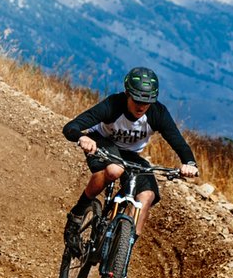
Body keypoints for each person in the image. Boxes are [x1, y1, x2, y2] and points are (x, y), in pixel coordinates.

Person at [61, 66, 199, 254]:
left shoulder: (157, 113)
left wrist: (189, 163)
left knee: (147, 195)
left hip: (130, 155)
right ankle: (77, 214)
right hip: (103, 143)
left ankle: (123, 248)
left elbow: (178, 142)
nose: (141, 106)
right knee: (114, 170)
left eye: (147, 101)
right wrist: (82, 137)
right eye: (137, 100)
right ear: (127, 93)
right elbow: (72, 126)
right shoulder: (113, 105)